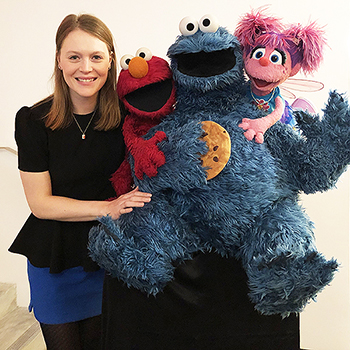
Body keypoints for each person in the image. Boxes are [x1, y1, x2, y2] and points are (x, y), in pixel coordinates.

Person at [9, 13, 151, 350]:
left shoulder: (129, 117)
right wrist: (109, 208)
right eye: (74, 56)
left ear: (111, 60)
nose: (85, 68)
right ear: (59, 60)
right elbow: (40, 204)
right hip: (54, 260)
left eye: (96, 56)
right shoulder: (32, 121)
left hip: (108, 255)